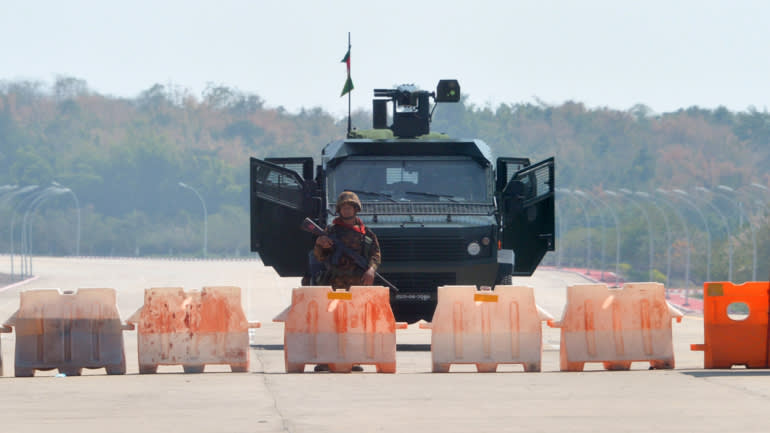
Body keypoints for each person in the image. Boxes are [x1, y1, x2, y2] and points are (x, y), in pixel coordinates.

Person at [312, 191, 381, 372]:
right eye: (343, 207)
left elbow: (375, 255)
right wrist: (320, 243)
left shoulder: (366, 234)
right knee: (330, 322)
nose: (347, 210)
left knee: (355, 323)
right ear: (339, 210)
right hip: (335, 283)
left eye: (350, 207)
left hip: (356, 285)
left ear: (356, 209)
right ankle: (326, 360)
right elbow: (319, 257)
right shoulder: (331, 231)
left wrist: (371, 270)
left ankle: (353, 359)